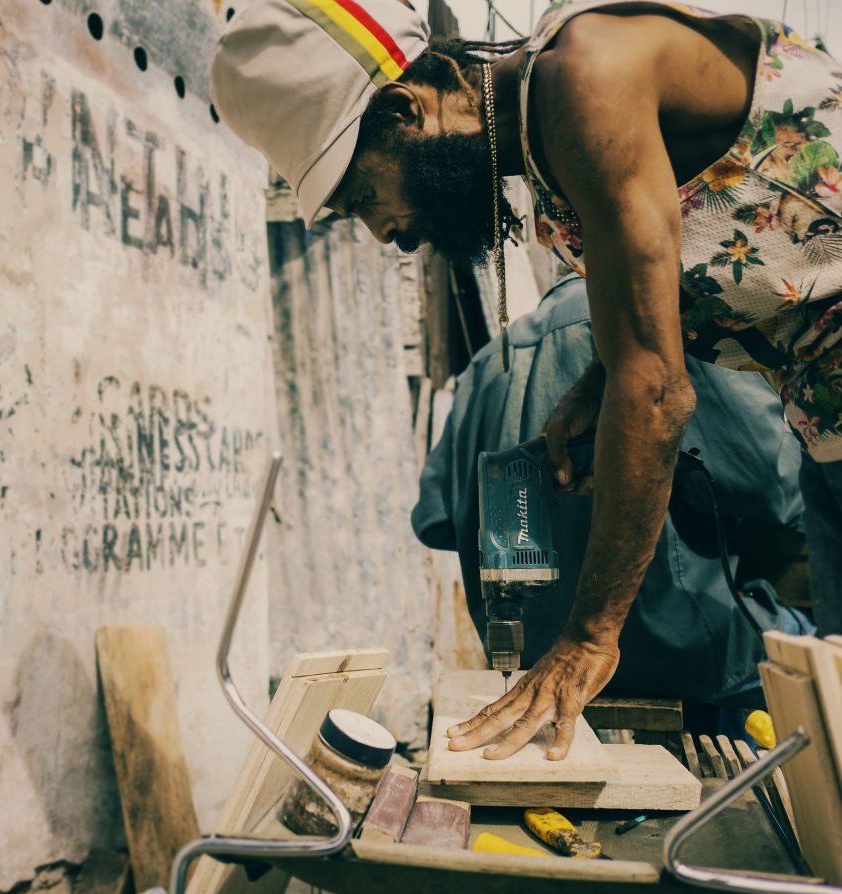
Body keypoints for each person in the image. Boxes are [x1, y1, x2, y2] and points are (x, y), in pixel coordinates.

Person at [211, 0, 841, 760]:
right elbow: (649, 317)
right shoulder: (546, 145)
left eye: (365, 198)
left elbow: (659, 390)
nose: (386, 233)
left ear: (406, 109)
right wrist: (598, 384)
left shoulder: (584, 79)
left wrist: (587, 638)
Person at [411, 274, 810, 732]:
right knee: (812, 644)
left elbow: (436, 522)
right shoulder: (671, 337)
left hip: (532, 654)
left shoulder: (483, 365)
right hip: (680, 650)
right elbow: (777, 488)